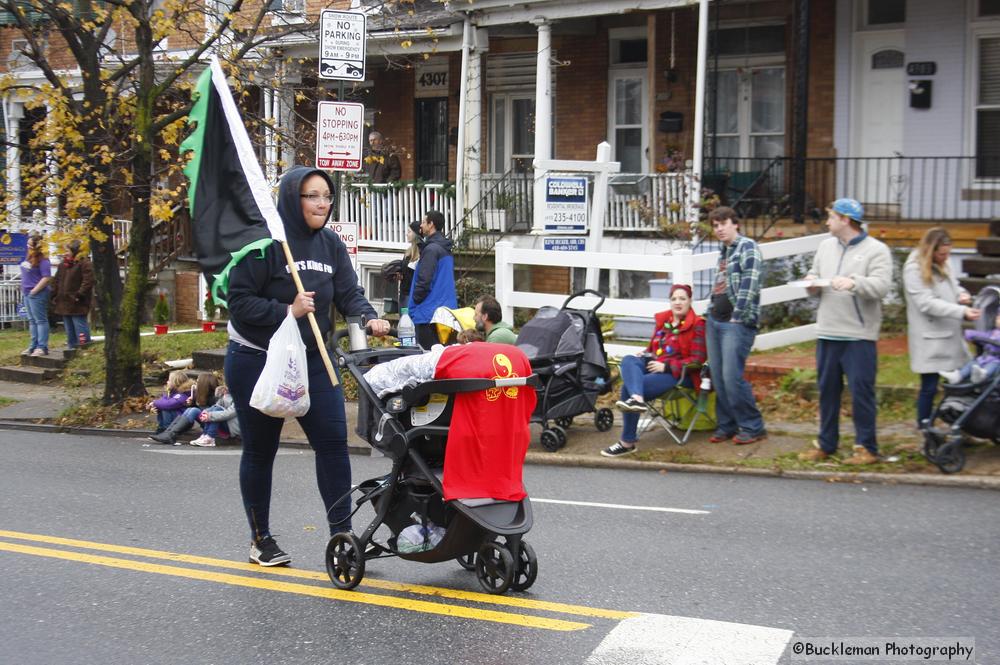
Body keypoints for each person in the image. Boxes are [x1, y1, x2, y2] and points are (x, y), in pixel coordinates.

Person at [225, 165, 390, 567]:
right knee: (261, 451)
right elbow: (239, 302)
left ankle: (342, 538)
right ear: (292, 199)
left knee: (333, 446)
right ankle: (260, 539)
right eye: (313, 196)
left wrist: (369, 317)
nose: (321, 204)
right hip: (259, 361)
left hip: (314, 359)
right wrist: (287, 309)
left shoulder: (330, 245)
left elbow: (349, 293)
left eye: (327, 197)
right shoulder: (265, 244)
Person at [798, 198, 892, 466]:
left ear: (846, 220)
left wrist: (854, 282)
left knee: (862, 391)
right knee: (827, 391)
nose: (827, 221)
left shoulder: (877, 250)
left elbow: (882, 287)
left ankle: (866, 447)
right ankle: (826, 444)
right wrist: (810, 283)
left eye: (831, 217)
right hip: (828, 331)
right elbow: (815, 273)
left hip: (858, 335)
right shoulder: (825, 246)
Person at [602, 284, 706, 458]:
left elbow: (697, 361)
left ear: (690, 301)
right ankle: (637, 399)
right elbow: (654, 348)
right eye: (674, 299)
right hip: (655, 365)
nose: (678, 302)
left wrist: (666, 366)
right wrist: (645, 353)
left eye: (682, 298)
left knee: (629, 387)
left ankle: (627, 442)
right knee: (629, 360)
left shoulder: (698, 324)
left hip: (679, 375)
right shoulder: (664, 321)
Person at [902, 228, 980, 425]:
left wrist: (961, 294)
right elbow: (926, 303)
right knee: (929, 386)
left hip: (950, 334)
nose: (946, 257)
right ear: (930, 250)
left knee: (962, 383)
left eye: (948, 253)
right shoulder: (914, 269)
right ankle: (925, 428)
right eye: (942, 254)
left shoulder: (944, 262)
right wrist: (961, 312)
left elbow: (954, 285)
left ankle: (961, 426)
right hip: (930, 338)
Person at [704, 207, 767, 445]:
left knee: (732, 377)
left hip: (736, 323)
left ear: (735, 224)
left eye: (723, 223)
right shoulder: (724, 251)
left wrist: (737, 317)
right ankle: (727, 425)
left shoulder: (747, 247)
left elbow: (749, 286)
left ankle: (753, 426)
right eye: (715, 225)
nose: (719, 229)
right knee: (719, 377)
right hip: (715, 321)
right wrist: (710, 311)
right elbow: (719, 285)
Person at [408, 210, 457, 350]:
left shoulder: (431, 250)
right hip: (446, 313)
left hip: (428, 314)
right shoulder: (445, 248)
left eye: (424, 222)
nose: (421, 226)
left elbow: (424, 280)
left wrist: (415, 303)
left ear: (431, 225)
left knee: (427, 358)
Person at [149, 373, 220, 445]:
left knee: (192, 410)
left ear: (203, 384)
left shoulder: (215, 397)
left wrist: (154, 403)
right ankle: (168, 433)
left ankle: (169, 433)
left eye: (198, 382)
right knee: (191, 409)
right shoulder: (200, 395)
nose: (195, 384)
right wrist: (192, 403)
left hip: (214, 423)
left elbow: (213, 410)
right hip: (207, 420)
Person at [50, 239, 95, 350]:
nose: (65, 253)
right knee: (68, 326)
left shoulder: (84, 263)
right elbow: (56, 280)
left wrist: (79, 294)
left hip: (77, 301)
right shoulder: (63, 265)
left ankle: (84, 347)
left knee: (79, 324)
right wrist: (54, 294)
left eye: (68, 251)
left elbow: (88, 281)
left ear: (75, 251)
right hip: (64, 300)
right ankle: (71, 347)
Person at [940, 314, 1000, 385]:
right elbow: (983, 335)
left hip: (996, 360)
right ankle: (958, 376)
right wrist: (970, 334)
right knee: (972, 364)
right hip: (984, 358)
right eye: (997, 318)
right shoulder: (993, 332)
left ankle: (982, 376)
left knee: (992, 366)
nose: (997, 320)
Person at [20, 234, 52, 357]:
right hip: (27, 292)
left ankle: (42, 346)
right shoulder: (28, 257)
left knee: (40, 320)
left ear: (37, 246)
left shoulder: (44, 260)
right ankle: (33, 345)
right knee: (32, 321)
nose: (27, 246)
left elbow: (46, 277)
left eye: (30, 244)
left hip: (37, 293)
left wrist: (35, 290)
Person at [147, 370, 195, 436]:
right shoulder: (170, 392)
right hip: (176, 420)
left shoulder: (182, 395)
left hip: (183, 423)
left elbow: (170, 404)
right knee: (162, 407)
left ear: (175, 382)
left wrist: (154, 403)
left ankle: (167, 432)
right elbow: (162, 401)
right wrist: (155, 407)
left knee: (166, 408)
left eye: (169, 380)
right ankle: (161, 430)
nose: (167, 382)